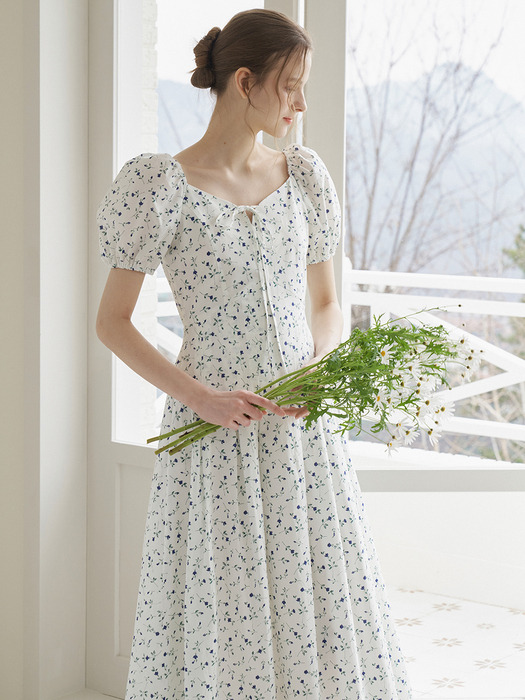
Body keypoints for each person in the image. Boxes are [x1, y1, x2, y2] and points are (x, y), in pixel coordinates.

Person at [96, 8, 413, 699]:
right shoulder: (159, 185)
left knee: (316, 598)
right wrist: (198, 399)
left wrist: (322, 370)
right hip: (212, 430)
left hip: (302, 429)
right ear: (245, 82)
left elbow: (327, 304)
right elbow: (113, 323)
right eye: (291, 86)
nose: (300, 104)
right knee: (220, 601)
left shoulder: (302, 175)